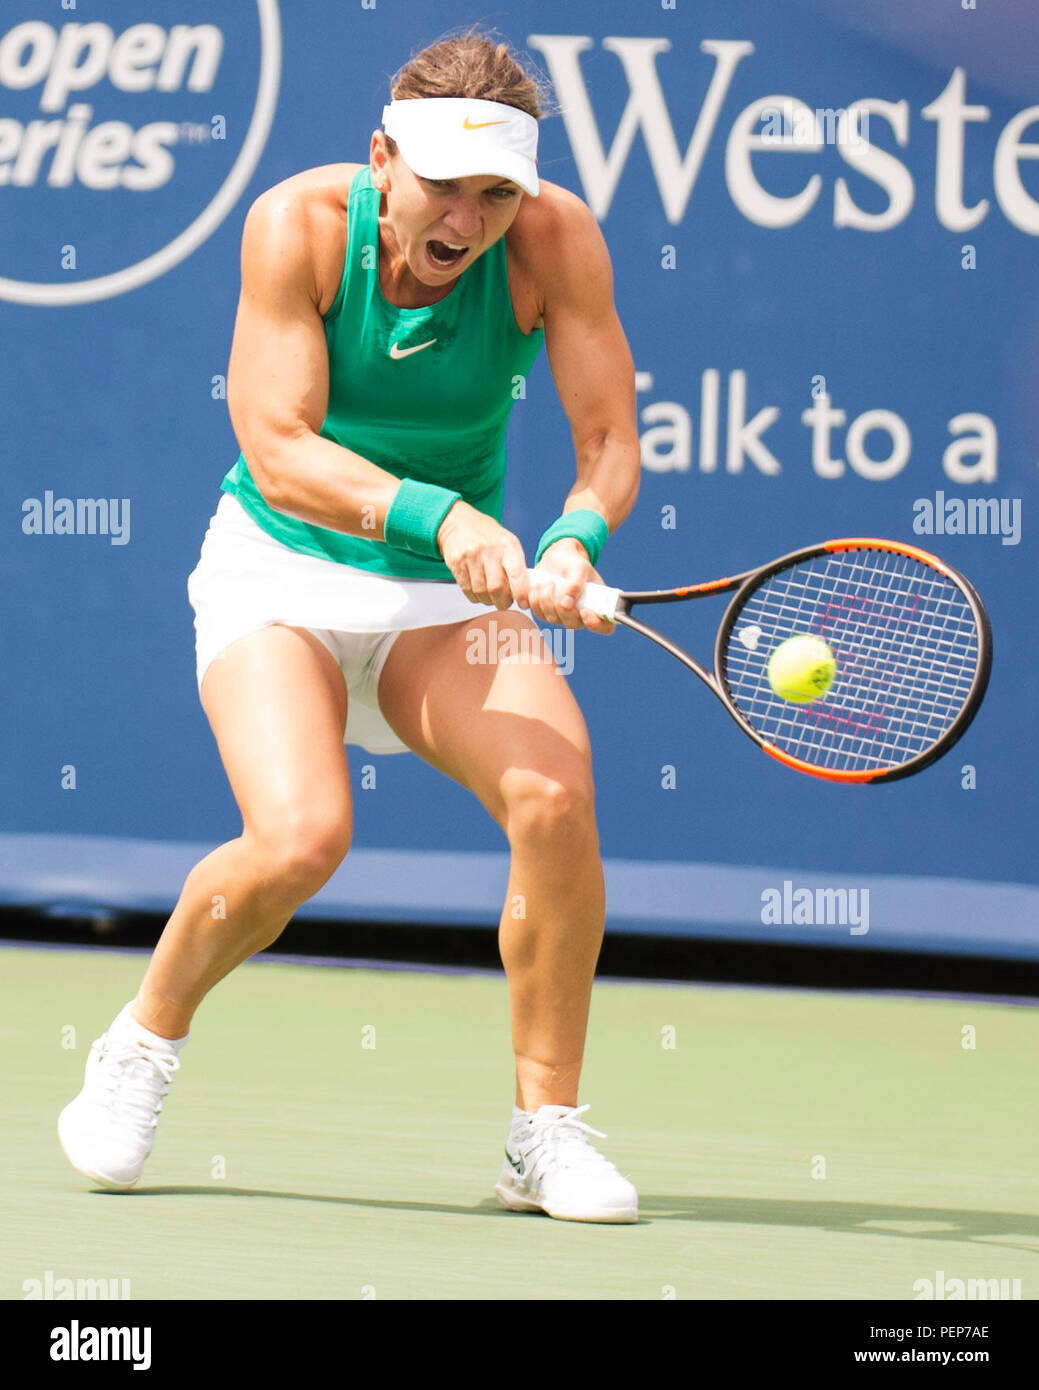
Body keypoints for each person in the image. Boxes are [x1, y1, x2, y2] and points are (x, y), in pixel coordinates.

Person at [58, 28, 641, 1223]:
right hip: (284, 572)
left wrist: (575, 538)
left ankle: (544, 1131)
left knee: (556, 798)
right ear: (381, 157)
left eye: (495, 194)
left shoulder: (556, 240)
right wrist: (441, 517)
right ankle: (139, 1045)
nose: (467, 220)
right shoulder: (297, 225)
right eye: (443, 186)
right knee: (301, 838)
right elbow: (276, 448)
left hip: (441, 602)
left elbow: (608, 445)